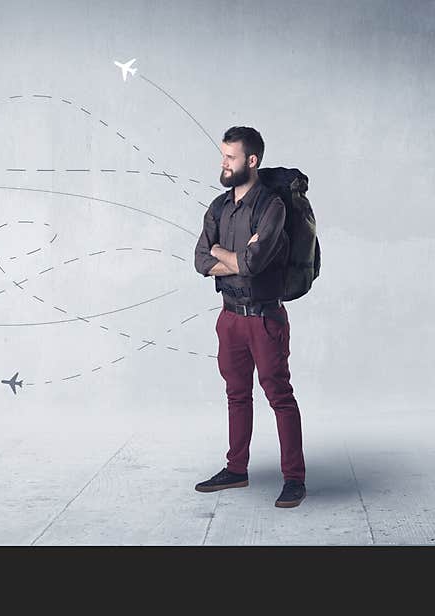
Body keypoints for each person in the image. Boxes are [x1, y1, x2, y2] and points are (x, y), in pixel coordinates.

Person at [193, 126, 306, 508]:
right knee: (236, 395)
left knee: (279, 396)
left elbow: (254, 264)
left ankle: (294, 478)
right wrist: (235, 257)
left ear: (251, 161)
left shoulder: (271, 207)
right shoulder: (219, 207)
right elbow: (200, 260)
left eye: (231, 157)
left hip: (264, 319)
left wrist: (226, 255)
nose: (223, 163)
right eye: (223, 155)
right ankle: (236, 469)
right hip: (229, 319)